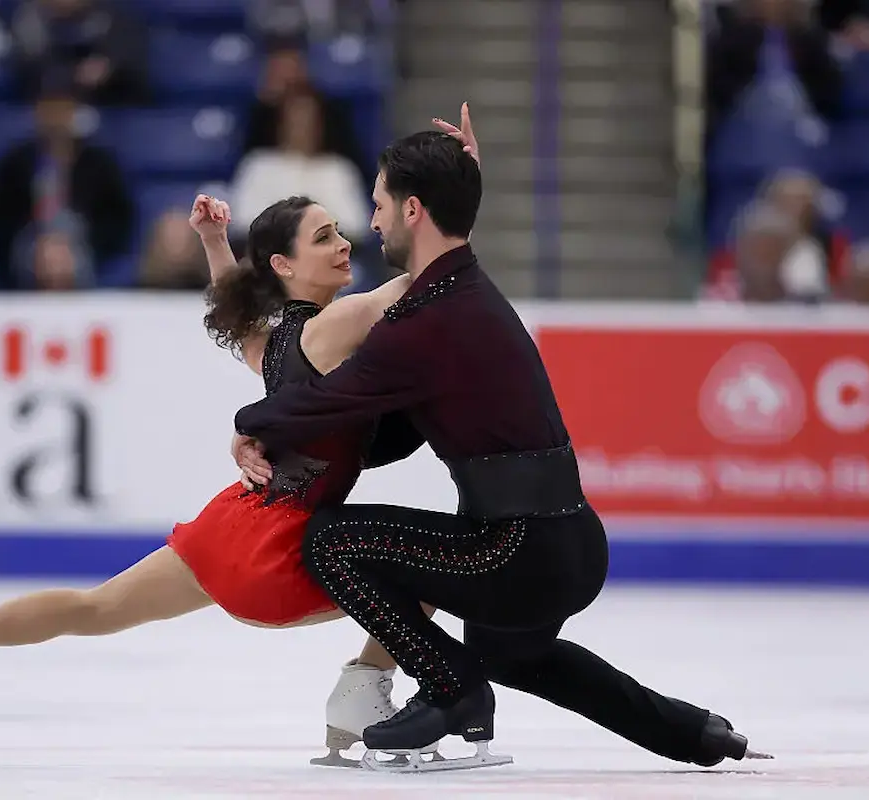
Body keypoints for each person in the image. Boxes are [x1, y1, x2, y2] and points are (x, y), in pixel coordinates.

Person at [231, 105, 771, 771]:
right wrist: (462, 176)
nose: (371, 222)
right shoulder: (458, 293)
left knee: (332, 540)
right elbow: (385, 438)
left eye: (379, 204)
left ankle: (452, 689)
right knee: (515, 651)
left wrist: (247, 427)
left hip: (518, 550)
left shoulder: (428, 321)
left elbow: (318, 404)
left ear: (413, 211)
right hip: (559, 540)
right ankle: (695, 734)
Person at [0, 191, 432, 765]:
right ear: (284, 265)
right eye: (324, 238)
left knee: (96, 607)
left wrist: (214, 241)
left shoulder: (271, 347)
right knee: (443, 573)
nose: (344, 244)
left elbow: (236, 303)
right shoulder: (336, 325)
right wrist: (451, 188)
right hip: (283, 553)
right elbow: (427, 271)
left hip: (231, 527)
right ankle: (361, 690)